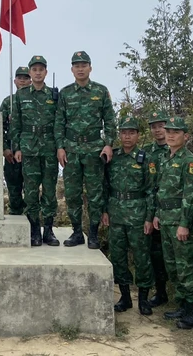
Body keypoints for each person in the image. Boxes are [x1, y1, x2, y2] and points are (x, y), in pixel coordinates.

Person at [54, 51, 116, 248]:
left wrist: (108, 143)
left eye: (84, 65)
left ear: (90, 67)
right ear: (72, 69)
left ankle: (94, 234)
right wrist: (60, 147)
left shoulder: (101, 91)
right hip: (71, 150)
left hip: (94, 150)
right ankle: (77, 232)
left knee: (95, 193)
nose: (80, 69)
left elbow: (110, 121)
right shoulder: (65, 93)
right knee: (72, 194)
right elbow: (59, 123)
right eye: (76, 65)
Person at [153, 116, 193, 329]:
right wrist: (157, 213)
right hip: (165, 219)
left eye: (176, 132)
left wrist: (184, 223)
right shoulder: (166, 157)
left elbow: (190, 194)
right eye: (169, 131)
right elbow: (161, 189)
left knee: (186, 267)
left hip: (180, 222)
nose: (171, 135)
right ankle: (182, 305)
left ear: (186, 136)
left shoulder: (188, 160)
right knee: (172, 266)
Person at [101, 116, 155, 315]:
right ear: (119, 134)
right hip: (116, 213)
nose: (127, 136)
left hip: (138, 214)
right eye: (124, 132)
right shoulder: (112, 157)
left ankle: (143, 299)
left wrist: (149, 217)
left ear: (138, 135)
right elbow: (105, 186)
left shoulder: (144, 158)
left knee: (142, 257)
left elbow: (150, 190)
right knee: (118, 256)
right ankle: (124, 297)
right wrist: (105, 211)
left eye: (131, 132)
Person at [10, 56, 59, 246]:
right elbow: (16, 125)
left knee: (49, 191)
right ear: (30, 73)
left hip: (49, 149)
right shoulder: (21, 96)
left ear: (45, 72)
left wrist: (59, 147)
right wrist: (17, 148)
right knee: (30, 192)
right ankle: (33, 231)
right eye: (34, 69)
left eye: (41, 69)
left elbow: (60, 122)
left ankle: (48, 230)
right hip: (28, 149)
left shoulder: (54, 95)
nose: (38, 72)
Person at [144, 109, 171, 308]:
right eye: (154, 127)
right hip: (152, 208)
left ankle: (182, 296)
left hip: (173, 210)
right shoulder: (146, 152)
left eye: (161, 126)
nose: (158, 130)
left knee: (175, 255)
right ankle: (160, 291)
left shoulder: (176, 150)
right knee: (155, 253)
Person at [0, 66, 31, 216]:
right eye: (20, 78)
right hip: (12, 153)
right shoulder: (8, 102)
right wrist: (4, 149)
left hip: (32, 152)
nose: (23, 81)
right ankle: (15, 220)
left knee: (31, 191)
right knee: (14, 190)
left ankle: (33, 225)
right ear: (15, 81)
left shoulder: (36, 100)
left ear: (31, 80)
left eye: (26, 78)